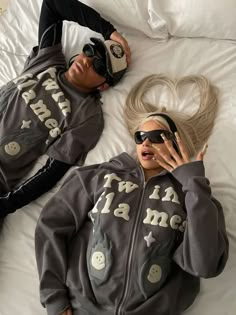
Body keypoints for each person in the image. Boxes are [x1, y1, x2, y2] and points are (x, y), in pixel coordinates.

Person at [35, 74, 228, 315]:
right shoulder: (98, 177)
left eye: (158, 137)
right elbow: (51, 225)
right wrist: (54, 297)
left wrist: (194, 184)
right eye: (141, 136)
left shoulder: (194, 196)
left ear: (177, 143)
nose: (146, 143)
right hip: (80, 308)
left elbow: (205, 265)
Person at [0, 0, 130, 218]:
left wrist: (7, 205)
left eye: (99, 65)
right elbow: (53, 5)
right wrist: (110, 32)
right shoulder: (48, 60)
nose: (87, 60)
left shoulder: (87, 116)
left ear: (104, 84)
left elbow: (51, 172)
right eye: (89, 50)